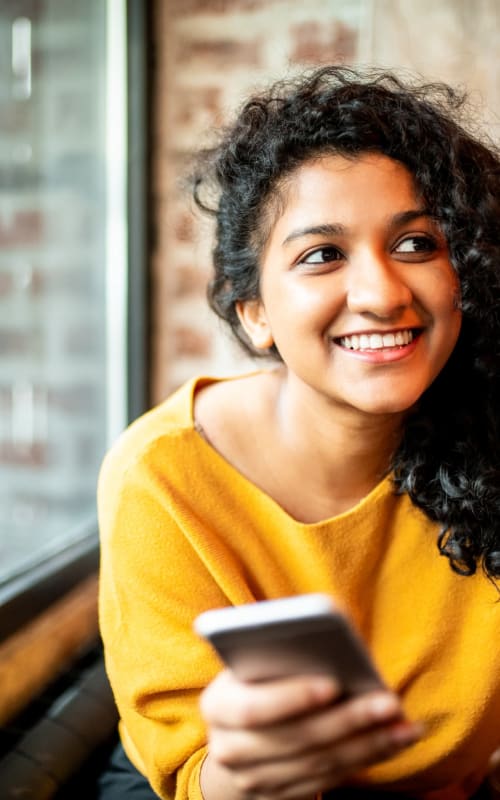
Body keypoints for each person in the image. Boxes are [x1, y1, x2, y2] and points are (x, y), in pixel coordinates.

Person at [97, 65, 500, 800]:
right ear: (254, 313)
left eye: (416, 243)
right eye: (322, 255)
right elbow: (189, 773)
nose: (382, 294)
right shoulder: (163, 475)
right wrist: (257, 768)